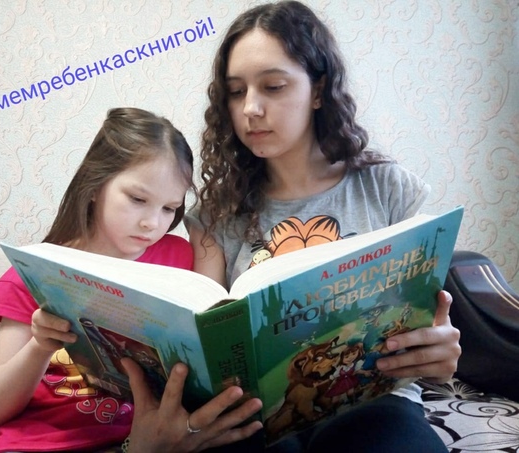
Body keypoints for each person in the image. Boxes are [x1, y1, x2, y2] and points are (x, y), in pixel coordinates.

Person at [185, 1, 461, 452]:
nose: (250, 108)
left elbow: (424, 321)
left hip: (374, 403)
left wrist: (440, 352)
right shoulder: (218, 212)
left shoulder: (385, 188)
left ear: (318, 90)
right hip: (257, 419)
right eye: (235, 92)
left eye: (273, 86)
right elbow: (206, 342)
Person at [0, 107, 263, 453]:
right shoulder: (33, 274)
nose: (152, 223)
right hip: (38, 442)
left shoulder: (179, 257)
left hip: (150, 438)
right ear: (95, 186)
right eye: (138, 199)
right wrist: (40, 346)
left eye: (169, 208)